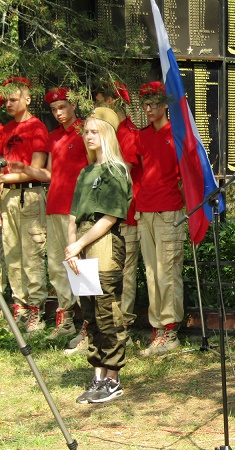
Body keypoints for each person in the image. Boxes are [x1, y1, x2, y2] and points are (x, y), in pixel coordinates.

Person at [10, 87, 90, 341]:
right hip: (54, 206)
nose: (58, 113)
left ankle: (89, 323)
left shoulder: (85, 132)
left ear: (73, 106)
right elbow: (49, 174)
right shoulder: (54, 136)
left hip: (78, 209)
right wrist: (26, 169)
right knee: (56, 266)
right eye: (54, 109)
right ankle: (65, 319)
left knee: (81, 266)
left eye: (62, 107)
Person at [65, 107, 131, 404]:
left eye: (94, 131)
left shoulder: (116, 170)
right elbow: (72, 216)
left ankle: (113, 379)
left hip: (103, 243)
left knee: (107, 311)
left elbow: (109, 218)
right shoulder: (85, 171)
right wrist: (71, 249)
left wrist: (78, 246)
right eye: (86, 132)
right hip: (81, 242)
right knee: (89, 312)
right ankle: (98, 376)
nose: (88, 136)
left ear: (107, 133)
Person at [136, 81, 186, 356]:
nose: (149, 108)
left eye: (154, 102)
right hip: (145, 212)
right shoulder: (142, 137)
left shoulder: (176, 134)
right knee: (152, 272)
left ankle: (170, 331)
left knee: (168, 272)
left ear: (166, 104)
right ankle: (157, 330)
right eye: (145, 103)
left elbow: (187, 177)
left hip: (169, 212)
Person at [0, 77, 49, 333]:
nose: (8, 104)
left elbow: (38, 169)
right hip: (7, 196)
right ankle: (19, 307)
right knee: (12, 255)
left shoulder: (37, 127)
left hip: (29, 196)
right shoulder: (6, 129)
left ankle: (36, 311)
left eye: (14, 99)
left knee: (32, 255)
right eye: (6, 100)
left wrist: (7, 177)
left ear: (27, 99)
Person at [94, 81, 141, 345]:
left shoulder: (128, 133)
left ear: (111, 102)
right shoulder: (108, 133)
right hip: (105, 216)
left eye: (99, 101)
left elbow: (121, 174)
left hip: (126, 215)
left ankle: (122, 326)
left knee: (123, 273)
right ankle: (105, 325)